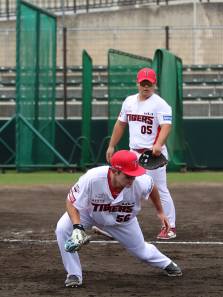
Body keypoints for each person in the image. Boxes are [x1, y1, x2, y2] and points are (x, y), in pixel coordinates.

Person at [55, 150, 183, 288]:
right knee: (62, 229)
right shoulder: (92, 178)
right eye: (128, 176)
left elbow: (152, 188)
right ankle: (74, 274)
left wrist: (160, 211)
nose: (132, 179)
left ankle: (167, 263)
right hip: (89, 213)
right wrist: (77, 227)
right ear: (114, 171)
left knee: (141, 252)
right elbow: (71, 201)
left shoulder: (140, 181)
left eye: (134, 175)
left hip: (122, 220)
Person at [106, 67, 177, 240]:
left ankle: (170, 226)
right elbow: (121, 124)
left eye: (149, 84)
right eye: (143, 83)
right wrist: (111, 146)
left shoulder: (160, 104)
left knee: (159, 189)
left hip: (153, 155)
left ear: (155, 84)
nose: (146, 87)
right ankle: (116, 224)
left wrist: (159, 144)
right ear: (137, 83)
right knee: (122, 185)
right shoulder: (129, 101)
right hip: (133, 154)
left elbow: (167, 126)